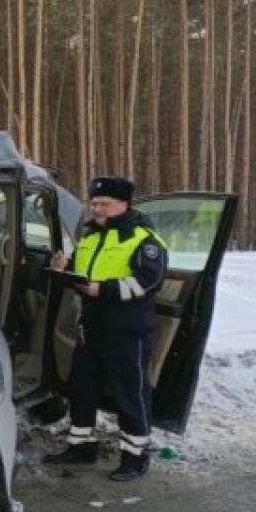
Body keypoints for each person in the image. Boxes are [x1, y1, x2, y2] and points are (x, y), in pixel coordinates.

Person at [45, 175, 168, 481]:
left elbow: (148, 281)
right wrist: (64, 269)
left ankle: (135, 457)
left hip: (127, 332)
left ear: (123, 204)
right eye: (94, 203)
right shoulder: (90, 237)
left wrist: (104, 290)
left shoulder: (144, 239)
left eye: (104, 204)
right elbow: (83, 273)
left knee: (131, 394)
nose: (96, 209)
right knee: (81, 388)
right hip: (92, 327)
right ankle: (82, 447)